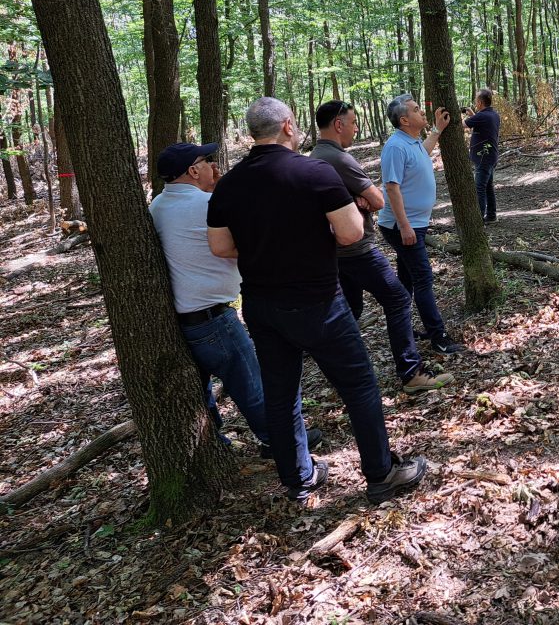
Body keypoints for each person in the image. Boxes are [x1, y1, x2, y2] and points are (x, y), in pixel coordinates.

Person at [208, 98, 427, 504]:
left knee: (281, 392)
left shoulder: (229, 184)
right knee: (359, 386)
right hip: (318, 303)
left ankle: (297, 478)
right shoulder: (314, 172)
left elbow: (220, 246)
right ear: (288, 126)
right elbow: (350, 233)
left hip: (261, 306)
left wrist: (264, 248)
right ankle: (381, 473)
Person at [148, 141, 322, 457]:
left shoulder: (158, 207)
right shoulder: (206, 205)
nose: (214, 165)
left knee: (201, 391)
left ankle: (212, 442)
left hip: (187, 319)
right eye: (208, 160)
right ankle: (279, 440)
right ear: (193, 170)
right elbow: (254, 239)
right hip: (213, 318)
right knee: (251, 384)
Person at [311, 101, 452, 394]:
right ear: (339, 125)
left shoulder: (319, 155)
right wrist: (399, 222)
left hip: (340, 248)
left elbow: (420, 157)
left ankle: (338, 367)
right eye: (353, 122)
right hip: (358, 246)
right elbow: (381, 196)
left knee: (351, 305)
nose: (357, 127)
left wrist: (437, 131)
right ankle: (415, 366)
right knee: (401, 297)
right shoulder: (346, 158)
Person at [378, 94, 465, 355]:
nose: (422, 113)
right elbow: (391, 187)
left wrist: (438, 129)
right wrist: (404, 226)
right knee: (423, 278)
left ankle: (403, 330)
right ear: (405, 119)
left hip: (413, 224)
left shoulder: (411, 142)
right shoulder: (395, 146)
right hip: (403, 225)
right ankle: (438, 337)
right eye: (417, 110)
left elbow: (423, 153)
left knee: (407, 281)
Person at [462, 89, 501, 223]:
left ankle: (478, 220)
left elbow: (462, 125)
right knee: (488, 186)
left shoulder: (482, 117)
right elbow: (480, 125)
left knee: (479, 188)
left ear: (479, 102)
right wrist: (472, 114)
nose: (475, 102)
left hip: (484, 158)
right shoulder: (493, 114)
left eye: (476, 100)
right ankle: (491, 215)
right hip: (490, 156)